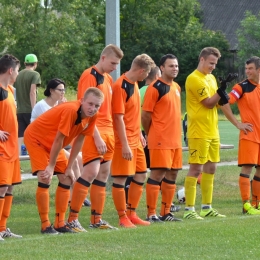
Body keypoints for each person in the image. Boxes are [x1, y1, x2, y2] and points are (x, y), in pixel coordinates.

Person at [24, 87, 104, 234]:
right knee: (45, 177)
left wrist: (69, 166)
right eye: (90, 104)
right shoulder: (71, 110)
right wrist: (50, 166)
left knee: (67, 178)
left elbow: (79, 140)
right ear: (82, 100)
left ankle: (60, 223)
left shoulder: (92, 116)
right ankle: (45, 225)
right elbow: (59, 140)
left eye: (97, 105)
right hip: (37, 139)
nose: (93, 108)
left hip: (53, 143)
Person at [67, 44, 124, 231]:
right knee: (90, 172)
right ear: (103, 58)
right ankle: (72, 219)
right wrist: (97, 136)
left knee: (103, 175)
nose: (115, 68)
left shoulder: (107, 78)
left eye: (117, 64)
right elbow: (86, 108)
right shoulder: (89, 75)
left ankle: (96, 219)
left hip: (108, 131)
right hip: (94, 130)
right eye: (113, 63)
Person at [183, 47, 228, 220]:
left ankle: (206, 207)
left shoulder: (211, 78)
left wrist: (223, 94)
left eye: (215, 64)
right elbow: (208, 103)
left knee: (211, 167)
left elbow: (216, 103)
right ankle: (189, 209)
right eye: (211, 63)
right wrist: (219, 92)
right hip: (198, 131)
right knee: (196, 169)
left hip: (212, 130)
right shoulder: (194, 78)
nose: (213, 67)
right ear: (202, 59)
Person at [111, 54, 155, 228]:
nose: (146, 78)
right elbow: (118, 118)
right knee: (121, 179)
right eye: (147, 74)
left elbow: (133, 114)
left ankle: (132, 213)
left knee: (141, 174)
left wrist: (139, 134)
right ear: (142, 71)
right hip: (124, 141)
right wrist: (125, 144)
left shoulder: (135, 85)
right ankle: (122, 218)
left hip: (135, 139)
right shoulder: (120, 86)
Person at [30, 78, 87, 206]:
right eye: (60, 90)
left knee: (77, 160)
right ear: (51, 90)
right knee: (72, 164)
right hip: (41, 142)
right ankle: (76, 196)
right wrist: (62, 107)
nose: (63, 92)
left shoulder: (59, 105)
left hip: (56, 142)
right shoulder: (41, 105)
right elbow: (52, 124)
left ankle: (76, 196)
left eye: (64, 90)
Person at [142, 54, 182, 222]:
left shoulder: (177, 87)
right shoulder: (155, 87)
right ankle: (151, 213)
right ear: (162, 68)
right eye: (171, 66)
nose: (175, 68)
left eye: (176, 66)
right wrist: (152, 133)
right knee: (157, 174)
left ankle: (166, 212)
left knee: (172, 174)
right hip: (160, 139)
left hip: (175, 140)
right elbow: (145, 116)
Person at [221, 56, 260, 215]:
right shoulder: (241, 87)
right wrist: (238, 124)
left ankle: (255, 204)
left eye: (250, 68)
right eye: (246, 69)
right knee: (247, 169)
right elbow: (224, 102)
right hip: (249, 135)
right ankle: (246, 205)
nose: (247, 71)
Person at [124, 66, 161, 202]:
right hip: (146, 133)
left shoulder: (139, 90)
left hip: (137, 132)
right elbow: (147, 115)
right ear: (157, 75)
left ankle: (129, 200)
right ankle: (159, 203)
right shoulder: (154, 90)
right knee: (157, 169)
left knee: (135, 170)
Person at [0, 54, 22, 241]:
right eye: (17, 70)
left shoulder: (10, 90)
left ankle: (3, 228)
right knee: (1, 188)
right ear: (10, 70)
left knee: (9, 188)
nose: (18, 73)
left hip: (12, 148)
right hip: (2, 149)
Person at [14, 54, 41, 154]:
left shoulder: (18, 74)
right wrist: (34, 109)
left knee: (19, 136)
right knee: (35, 135)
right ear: (35, 63)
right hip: (30, 110)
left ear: (25, 63)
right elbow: (32, 92)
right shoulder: (35, 74)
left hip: (19, 110)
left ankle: (17, 161)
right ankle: (36, 158)